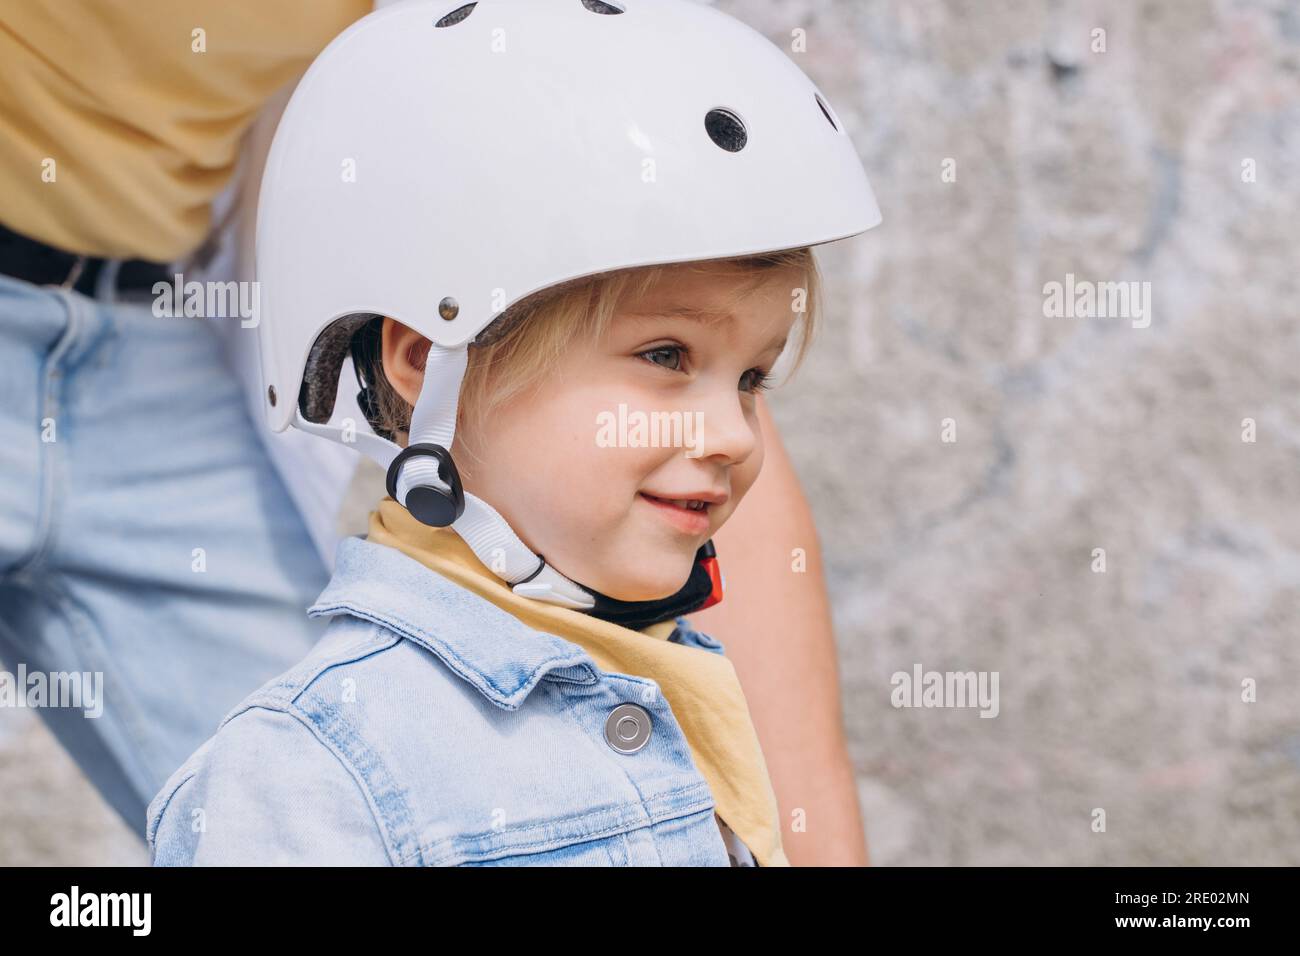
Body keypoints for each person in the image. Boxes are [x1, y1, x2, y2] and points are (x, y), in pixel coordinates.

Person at [0, 0, 869, 866]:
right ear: (420, 362)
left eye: (752, 378)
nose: (733, 436)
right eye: (666, 355)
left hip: (137, 314)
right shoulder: (297, 768)